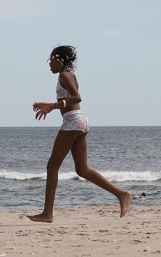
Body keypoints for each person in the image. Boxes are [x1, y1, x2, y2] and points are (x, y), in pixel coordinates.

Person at [27, 45, 131, 223]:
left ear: (59, 60)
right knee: (82, 169)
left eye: (51, 60)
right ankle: (121, 194)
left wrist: (52, 106)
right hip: (79, 120)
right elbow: (66, 101)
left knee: (52, 166)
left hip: (73, 121)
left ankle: (47, 214)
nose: (49, 64)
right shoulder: (69, 76)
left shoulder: (64, 75)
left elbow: (76, 98)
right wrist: (48, 105)